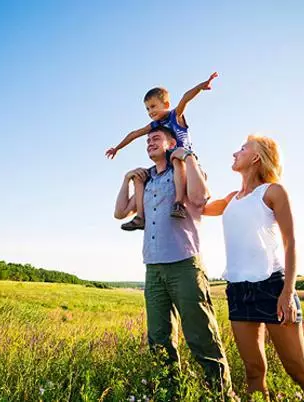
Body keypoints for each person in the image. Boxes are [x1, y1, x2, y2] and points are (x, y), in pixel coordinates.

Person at [203, 135, 304, 401]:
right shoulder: (231, 199)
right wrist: (184, 162)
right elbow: (197, 206)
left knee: (298, 369)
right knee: (253, 371)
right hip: (238, 290)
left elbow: (291, 242)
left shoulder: (273, 192)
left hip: (273, 287)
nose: (234, 153)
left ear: (256, 157)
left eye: (242, 149)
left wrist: (287, 293)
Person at [113, 126, 233, 398]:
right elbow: (120, 212)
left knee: (201, 335)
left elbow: (201, 198)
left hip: (184, 264)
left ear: (171, 143)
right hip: (153, 268)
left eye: (155, 138)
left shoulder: (184, 169)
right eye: (147, 141)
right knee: (159, 339)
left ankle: (222, 395)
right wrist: (127, 179)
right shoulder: (148, 180)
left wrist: (187, 156)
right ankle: (170, 393)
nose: (149, 143)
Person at [107, 72, 218, 231]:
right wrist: (117, 147)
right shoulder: (154, 125)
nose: (150, 112)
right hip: (167, 163)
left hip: (182, 157)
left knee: (175, 159)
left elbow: (185, 98)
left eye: (153, 106)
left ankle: (178, 203)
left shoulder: (175, 116)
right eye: (147, 109)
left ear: (166, 104)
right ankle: (140, 217)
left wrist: (201, 86)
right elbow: (134, 134)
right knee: (139, 178)